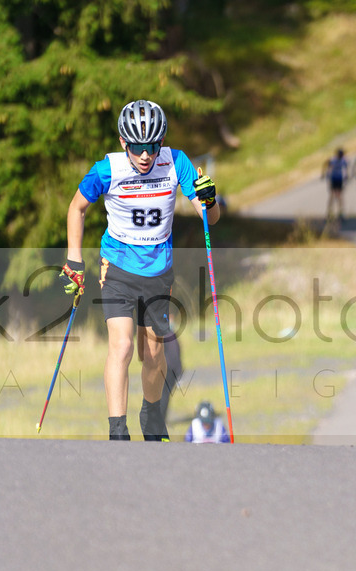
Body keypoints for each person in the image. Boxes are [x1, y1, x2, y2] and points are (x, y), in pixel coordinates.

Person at [63, 99, 220, 442]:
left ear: (161, 142)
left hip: (158, 273)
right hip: (117, 267)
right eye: (137, 147)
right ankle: (117, 430)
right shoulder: (107, 169)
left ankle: (151, 418)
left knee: (155, 351)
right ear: (124, 143)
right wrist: (74, 259)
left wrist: (210, 200)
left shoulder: (177, 162)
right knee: (121, 346)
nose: (146, 155)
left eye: (152, 145)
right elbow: (76, 209)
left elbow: (210, 218)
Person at [159, 311, 183, 423]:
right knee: (164, 397)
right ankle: (161, 420)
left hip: (162, 369)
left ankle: (160, 420)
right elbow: (174, 355)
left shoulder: (160, 333)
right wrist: (179, 371)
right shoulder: (169, 334)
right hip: (168, 370)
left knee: (162, 396)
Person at [322, 148, 349, 222]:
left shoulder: (343, 160)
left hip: (339, 179)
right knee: (333, 196)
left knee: (339, 196)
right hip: (334, 179)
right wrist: (325, 175)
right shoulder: (333, 160)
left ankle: (341, 213)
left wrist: (346, 177)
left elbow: (346, 168)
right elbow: (327, 166)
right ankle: (329, 213)